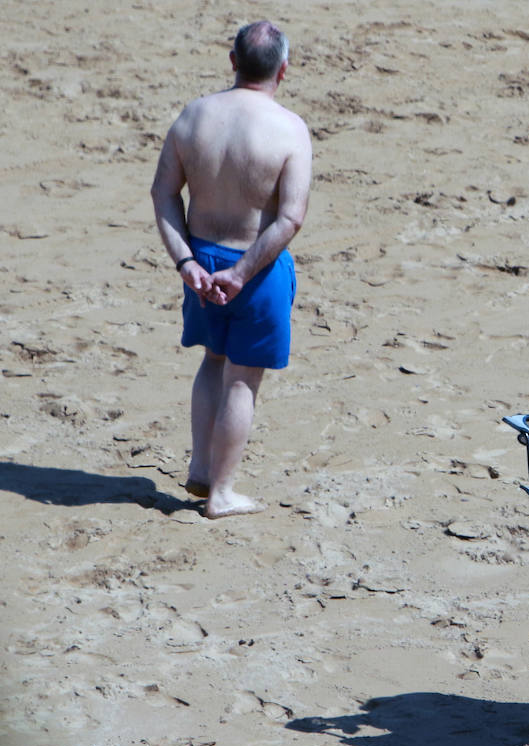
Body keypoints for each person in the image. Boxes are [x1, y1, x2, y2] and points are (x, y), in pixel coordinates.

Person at [150, 20, 312, 518]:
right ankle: (220, 492)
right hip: (255, 270)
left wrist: (186, 262)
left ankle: (201, 467)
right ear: (283, 69)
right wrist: (241, 273)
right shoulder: (289, 129)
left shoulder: (193, 117)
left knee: (212, 361)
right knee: (242, 380)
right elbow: (291, 217)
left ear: (233, 61)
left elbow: (163, 195)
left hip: (202, 262)